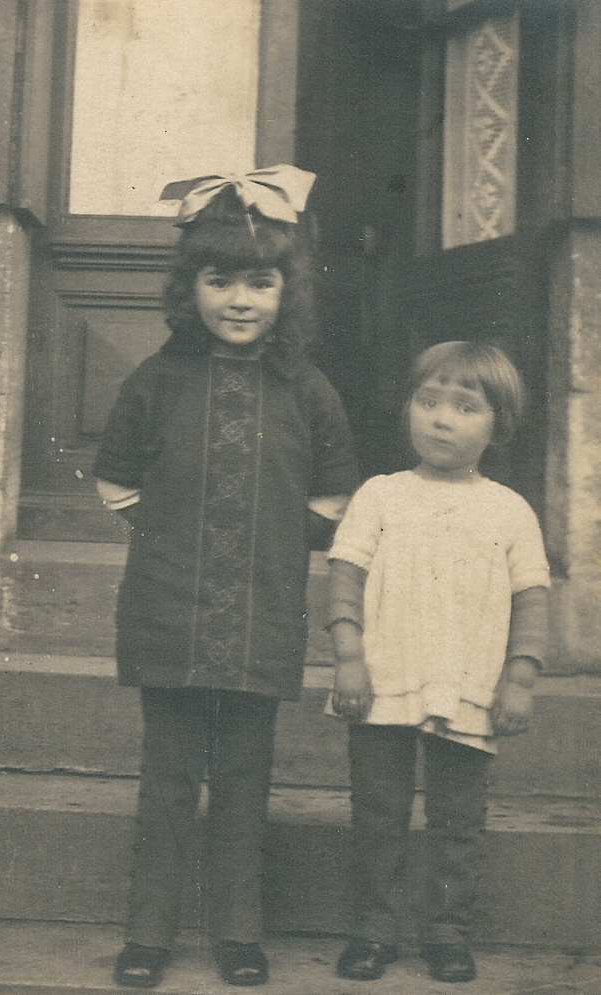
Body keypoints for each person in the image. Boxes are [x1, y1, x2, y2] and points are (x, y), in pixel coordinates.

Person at [93, 166, 360, 988]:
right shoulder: (156, 380)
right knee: (169, 776)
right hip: (169, 608)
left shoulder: (309, 390)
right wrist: (179, 535)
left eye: (260, 283)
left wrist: (265, 542)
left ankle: (239, 929)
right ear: (190, 288)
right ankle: (149, 931)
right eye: (220, 281)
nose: (240, 301)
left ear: (287, 291)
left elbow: (334, 492)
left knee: (245, 777)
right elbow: (116, 479)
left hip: (260, 611)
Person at [325, 341, 550, 983]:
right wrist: (349, 659)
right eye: (428, 402)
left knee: (458, 821)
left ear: (499, 427)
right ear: (408, 410)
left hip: (468, 685)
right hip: (384, 681)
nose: (442, 419)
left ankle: (448, 931)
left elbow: (532, 601)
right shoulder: (380, 495)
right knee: (378, 814)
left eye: (465, 407)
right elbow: (344, 579)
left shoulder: (510, 510)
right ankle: (374, 929)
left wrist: (520, 679)